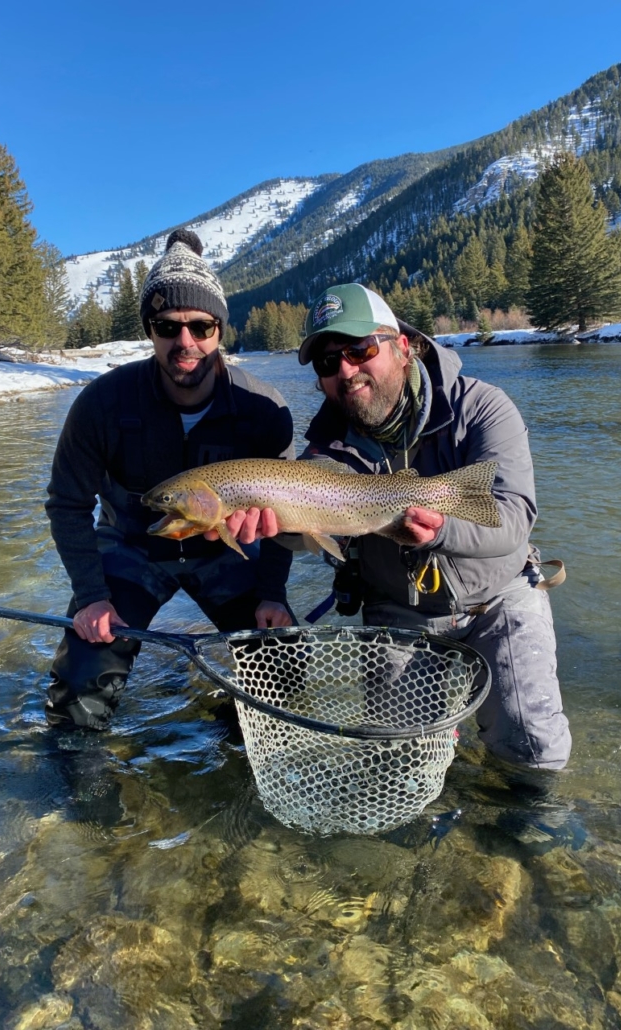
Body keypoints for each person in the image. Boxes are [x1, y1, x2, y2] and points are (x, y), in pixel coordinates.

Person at [229, 283, 571, 771]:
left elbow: (513, 518)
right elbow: (308, 533)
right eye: (328, 363)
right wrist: (273, 531)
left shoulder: (482, 409)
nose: (346, 370)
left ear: (403, 346)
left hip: (499, 597)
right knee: (398, 763)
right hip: (401, 612)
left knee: (533, 750)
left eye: (359, 349)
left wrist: (440, 532)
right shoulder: (324, 455)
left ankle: (534, 828)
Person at [44, 229, 294, 730]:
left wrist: (273, 592)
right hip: (131, 551)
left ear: (220, 329)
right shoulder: (102, 404)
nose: (186, 342)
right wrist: (92, 595)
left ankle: (239, 747)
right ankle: (79, 797)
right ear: (149, 330)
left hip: (229, 552)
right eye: (167, 326)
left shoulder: (263, 408)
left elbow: (288, 510)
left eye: (201, 326)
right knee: (77, 691)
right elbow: (67, 505)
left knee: (284, 676)